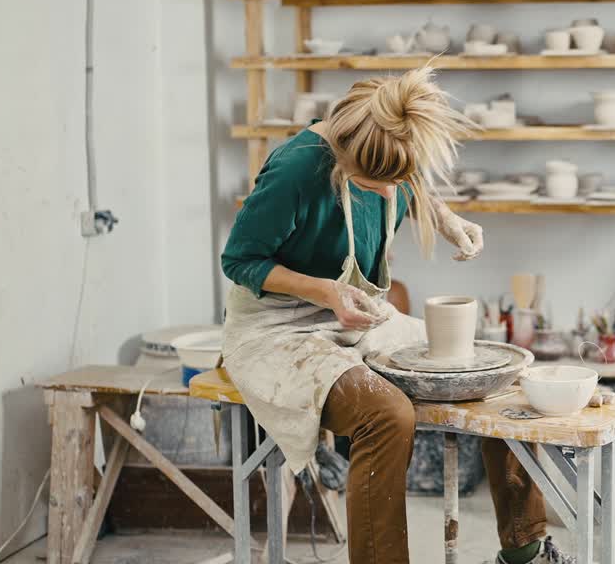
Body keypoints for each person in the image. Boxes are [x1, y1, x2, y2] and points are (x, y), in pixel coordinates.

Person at [220, 68, 572, 564]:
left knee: (497, 375)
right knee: (386, 414)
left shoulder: (383, 136)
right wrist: (325, 291)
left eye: (397, 182)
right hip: (276, 330)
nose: (390, 195)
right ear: (344, 160)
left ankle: (526, 552)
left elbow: (405, 183)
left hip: (352, 315)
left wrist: (447, 219)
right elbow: (239, 261)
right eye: (376, 184)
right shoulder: (296, 171)